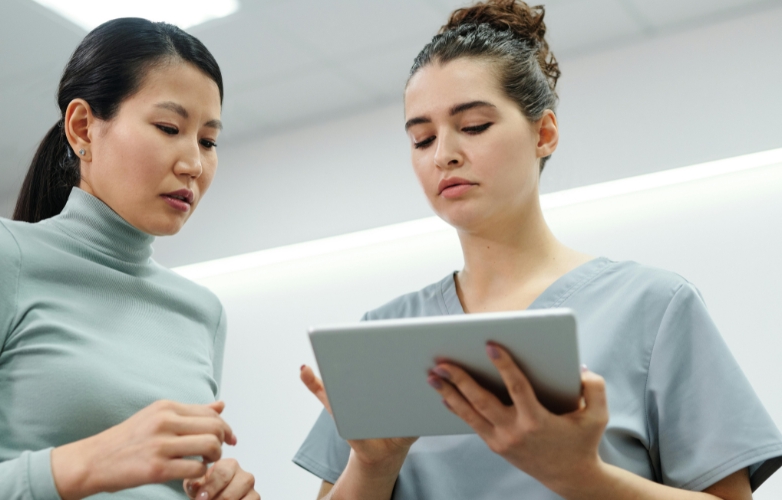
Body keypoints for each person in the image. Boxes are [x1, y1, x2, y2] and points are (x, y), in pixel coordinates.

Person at [294, 1, 782, 499]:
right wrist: (373, 466)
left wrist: (581, 475)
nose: (444, 154)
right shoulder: (382, 335)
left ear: (543, 133)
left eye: (474, 126)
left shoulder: (652, 308)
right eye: (421, 138)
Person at [0, 18, 258, 500]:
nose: (194, 164)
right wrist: (83, 465)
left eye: (208, 141)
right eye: (168, 127)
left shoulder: (205, 313)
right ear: (82, 127)